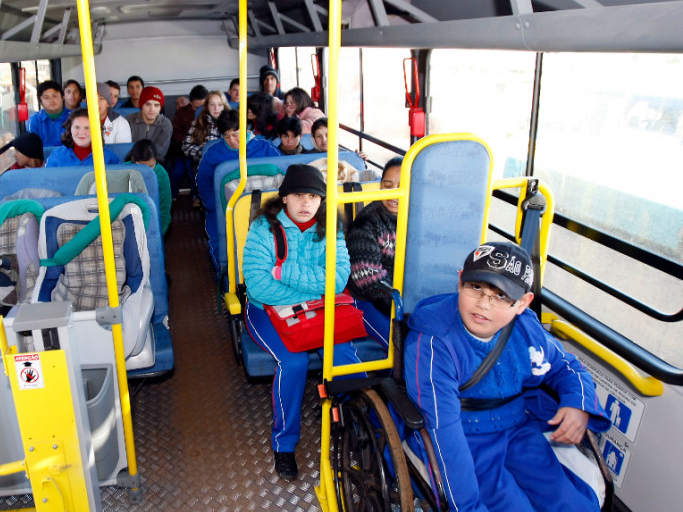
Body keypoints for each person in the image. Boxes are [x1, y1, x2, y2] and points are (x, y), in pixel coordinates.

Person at [404, 241, 609, 511]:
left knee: (571, 503)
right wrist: (467, 507)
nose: (483, 304)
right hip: (465, 435)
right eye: (476, 287)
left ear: (523, 303)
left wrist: (577, 404)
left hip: (518, 427)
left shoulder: (526, 330)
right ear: (460, 282)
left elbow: (567, 366)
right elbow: (444, 430)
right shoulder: (434, 343)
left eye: (501, 295)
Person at [242, 163, 363, 480]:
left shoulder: (330, 227)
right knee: (293, 362)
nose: (306, 203)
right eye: (298, 195)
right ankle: (284, 444)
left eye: (313, 196)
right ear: (284, 198)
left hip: (315, 308)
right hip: (265, 310)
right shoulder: (264, 228)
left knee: (344, 357)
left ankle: (354, 427)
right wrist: (315, 287)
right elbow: (259, 286)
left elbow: (338, 280)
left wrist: (283, 272)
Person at [196, 108, 280, 265]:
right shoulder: (214, 153)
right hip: (224, 205)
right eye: (226, 136)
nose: (232, 141)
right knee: (220, 242)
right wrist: (212, 204)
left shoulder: (265, 148)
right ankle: (225, 272)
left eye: (236, 134)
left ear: (246, 129)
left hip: (263, 204)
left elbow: (280, 174)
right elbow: (203, 179)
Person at [347, 157, 403, 347]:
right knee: (400, 345)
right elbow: (368, 281)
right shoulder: (366, 223)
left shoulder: (418, 217)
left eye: (401, 186)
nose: (394, 192)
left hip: (404, 299)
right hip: (370, 300)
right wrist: (403, 308)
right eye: (388, 185)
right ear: (380, 186)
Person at [183, 90, 229, 207]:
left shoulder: (232, 122)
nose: (216, 108)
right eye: (212, 105)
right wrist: (204, 152)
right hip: (205, 163)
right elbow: (186, 147)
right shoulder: (198, 124)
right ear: (207, 106)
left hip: (228, 162)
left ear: (224, 106)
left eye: (219, 105)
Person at [170, 85, 208, 205]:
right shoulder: (182, 113)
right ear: (191, 103)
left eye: (202, 107)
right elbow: (175, 134)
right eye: (197, 107)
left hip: (204, 150)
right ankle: (172, 198)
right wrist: (189, 140)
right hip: (184, 150)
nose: (200, 111)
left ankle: (198, 196)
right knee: (180, 170)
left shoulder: (211, 113)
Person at [46, 109, 122, 167]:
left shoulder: (109, 157)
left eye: (87, 128)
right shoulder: (56, 156)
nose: (81, 133)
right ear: (70, 129)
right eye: (77, 127)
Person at [128, 139, 171, 236]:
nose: (147, 171)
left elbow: (164, 209)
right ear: (133, 160)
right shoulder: (123, 171)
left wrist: (157, 236)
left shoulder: (161, 174)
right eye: (142, 166)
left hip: (154, 223)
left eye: (151, 166)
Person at [126, 86, 173, 162]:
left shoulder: (165, 124)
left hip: (156, 163)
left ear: (160, 108)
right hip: (132, 162)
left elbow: (160, 152)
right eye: (148, 104)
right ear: (141, 105)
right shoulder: (129, 121)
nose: (152, 109)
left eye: (156, 105)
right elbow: (125, 149)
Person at [27, 80, 71, 147]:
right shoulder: (34, 119)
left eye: (55, 96)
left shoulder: (73, 117)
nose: (51, 100)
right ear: (40, 101)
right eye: (46, 97)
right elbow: (32, 146)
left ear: (63, 97)